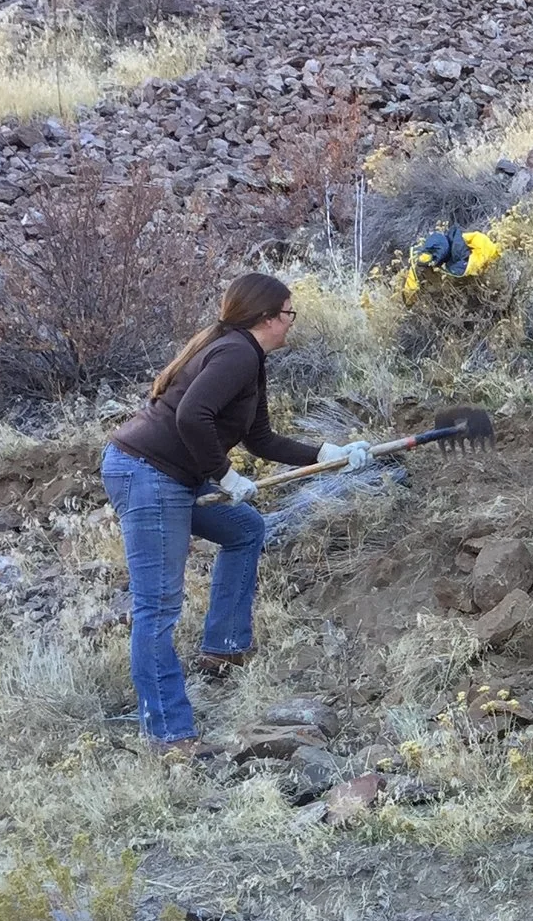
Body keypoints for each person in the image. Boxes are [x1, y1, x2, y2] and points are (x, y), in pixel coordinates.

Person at [102, 273, 372, 759]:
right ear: (266, 317)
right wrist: (224, 476)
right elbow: (191, 417)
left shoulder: (248, 358)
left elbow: (262, 440)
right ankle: (168, 736)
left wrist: (327, 452)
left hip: (169, 475)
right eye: (289, 314)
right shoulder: (236, 353)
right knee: (158, 607)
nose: (292, 323)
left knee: (245, 529)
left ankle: (224, 646)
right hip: (147, 473)